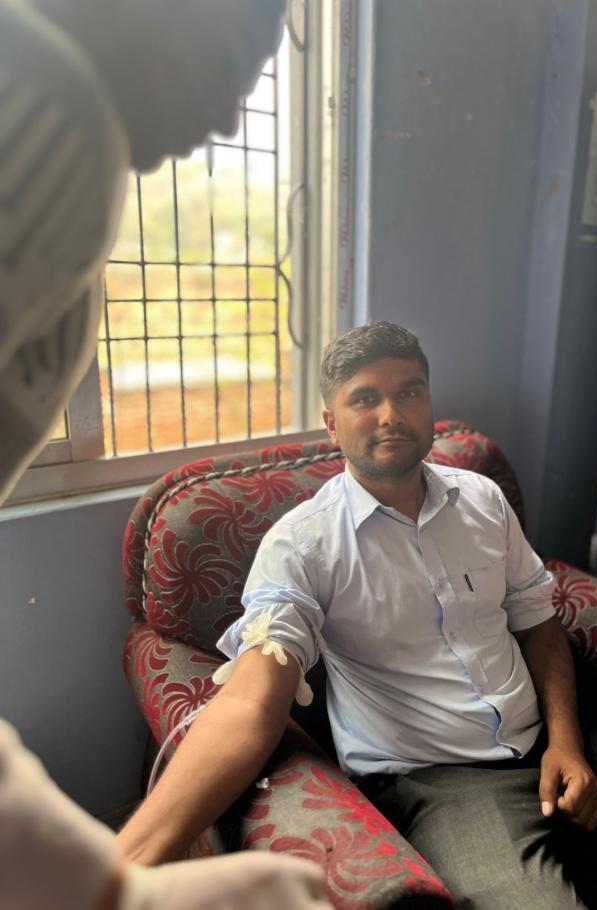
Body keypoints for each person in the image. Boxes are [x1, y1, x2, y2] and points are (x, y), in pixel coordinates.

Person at [118, 321, 597, 908]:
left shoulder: (483, 500)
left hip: (557, 744)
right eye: (365, 398)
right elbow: (252, 700)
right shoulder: (305, 544)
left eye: (409, 392)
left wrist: (567, 743)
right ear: (331, 424)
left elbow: (538, 624)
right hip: (441, 785)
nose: (391, 414)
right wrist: (125, 864)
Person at [0, 0, 330, 906]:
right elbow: (255, 693)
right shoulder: (48, 107)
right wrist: (116, 892)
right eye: (225, 65)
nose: (225, 120)